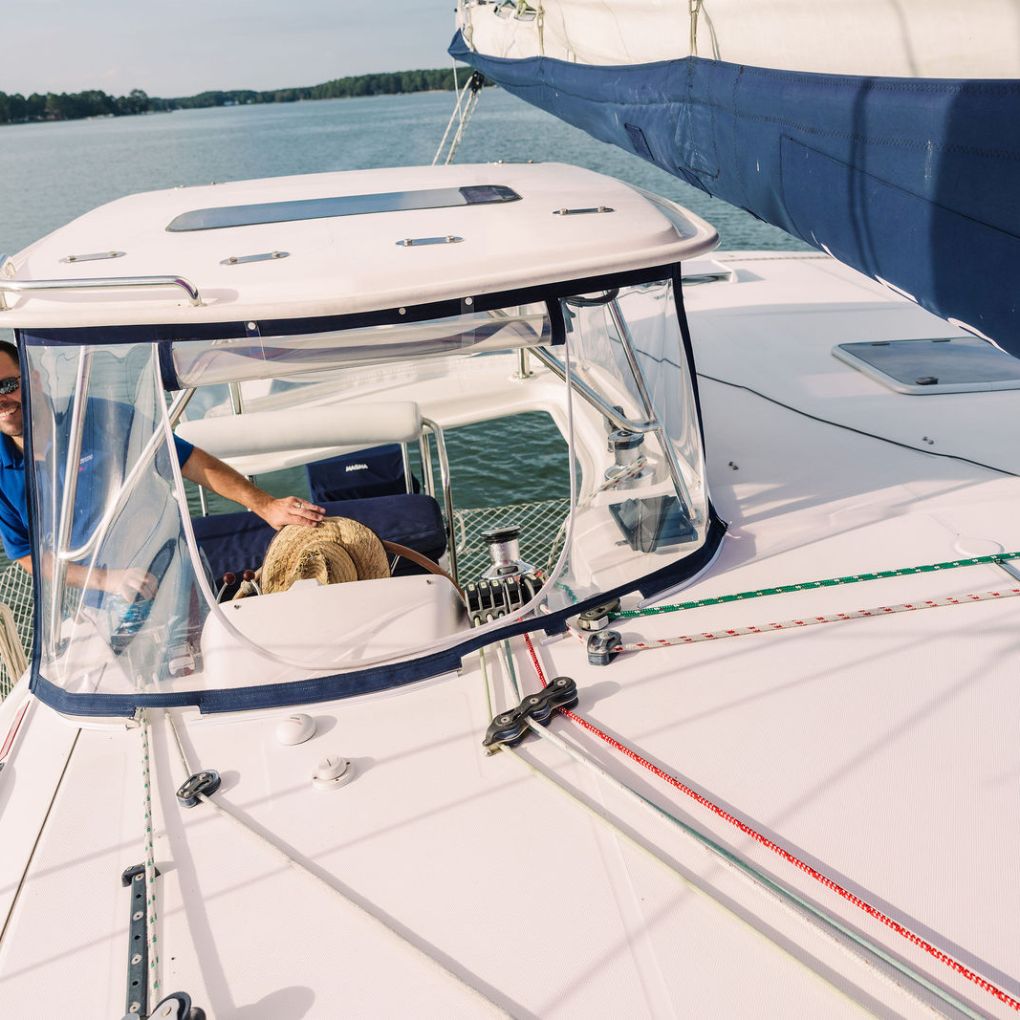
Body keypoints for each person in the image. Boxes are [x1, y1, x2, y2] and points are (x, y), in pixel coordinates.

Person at [0, 340, 325, 599]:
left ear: (33, 377)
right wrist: (105, 581)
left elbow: (188, 461)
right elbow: (27, 554)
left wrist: (266, 505)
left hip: (168, 554)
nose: (2, 401)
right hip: (103, 596)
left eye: (7, 385)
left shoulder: (98, 419)